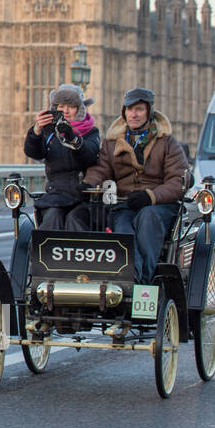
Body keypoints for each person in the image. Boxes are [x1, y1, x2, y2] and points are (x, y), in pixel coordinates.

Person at [78, 87, 188, 285]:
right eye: (129, 110)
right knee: (120, 228)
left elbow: (178, 180)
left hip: (158, 205)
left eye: (138, 109)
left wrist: (150, 196)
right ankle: (129, 277)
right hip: (125, 204)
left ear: (149, 112)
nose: (133, 114)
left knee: (148, 218)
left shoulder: (168, 143)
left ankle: (143, 281)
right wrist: (87, 185)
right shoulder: (111, 143)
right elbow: (100, 171)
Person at [23, 84, 100, 229]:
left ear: (79, 108)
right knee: (53, 217)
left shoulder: (91, 132)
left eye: (71, 106)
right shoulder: (50, 133)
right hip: (56, 194)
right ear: (55, 108)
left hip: (83, 196)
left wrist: (73, 139)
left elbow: (90, 156)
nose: (66, 111)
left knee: (74, 220)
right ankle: (46, 251)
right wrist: (37, 130)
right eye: (61, 106)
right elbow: (34, 153)